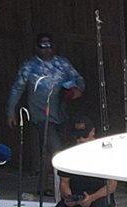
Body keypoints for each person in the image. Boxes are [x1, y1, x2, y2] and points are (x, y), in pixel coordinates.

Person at [6, 31, 86, 159]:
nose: (47, 49)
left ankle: (51, 177)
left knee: (65, 147)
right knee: (56, 148)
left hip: (62, 113)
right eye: (43, 46)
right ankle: (58, 178)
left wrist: (78, 90)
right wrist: (11, 111)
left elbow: (78, 79)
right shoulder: (29, 66)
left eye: (49, 46)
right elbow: (17, 88)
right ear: (37, 48)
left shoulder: (62, 63)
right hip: (41, 115)